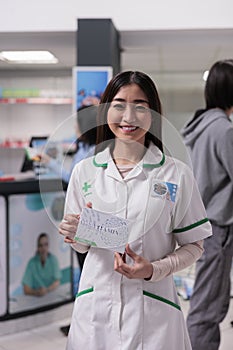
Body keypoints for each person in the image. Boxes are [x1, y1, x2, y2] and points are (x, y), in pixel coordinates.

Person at [59, 70, 212, 350]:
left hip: (154, 315)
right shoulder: (84, 172)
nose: (128, 117)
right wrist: (75, 233)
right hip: (96, 312)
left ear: (153, 115)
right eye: (119, 105)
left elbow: (195, 246)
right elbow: (82, 248)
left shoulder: (176, 174)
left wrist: (153, 269)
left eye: (140, 107)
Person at [181, 59, 233, 350]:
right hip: (220, 228)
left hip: (206, 224)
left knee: (208, 301)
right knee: (208, 307)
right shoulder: (223, 130)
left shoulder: (200, 126)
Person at [40, 105, 98, 184]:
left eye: (78, 123)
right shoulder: (87, 147)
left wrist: (49, 162)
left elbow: (71, 178)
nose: (75, 127)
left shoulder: (87, 152)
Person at [22, 232, 61, 296]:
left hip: (52, 296)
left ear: (48, 245)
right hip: (35, 299)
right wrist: (36, 292)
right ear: (37, 247)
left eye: (45, 244)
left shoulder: (53, 260)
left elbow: (57, 281)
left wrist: (47, 290)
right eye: (40, 245)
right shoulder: (32, 263)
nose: (43, 248)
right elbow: (26, 288)